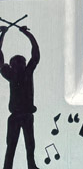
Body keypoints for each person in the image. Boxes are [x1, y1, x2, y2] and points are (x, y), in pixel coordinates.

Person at [0, 21, 39, 169]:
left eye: (20, 62)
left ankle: (29, 165)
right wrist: (26, 34)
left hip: (23, 114)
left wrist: (4, 33)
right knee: (15, 144)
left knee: (27, 144)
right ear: (13, 66)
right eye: (18, 62)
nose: (20, 64)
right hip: (20, 115)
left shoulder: (16, 74)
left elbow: (35, 54)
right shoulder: (22, 73)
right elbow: (35, 53)